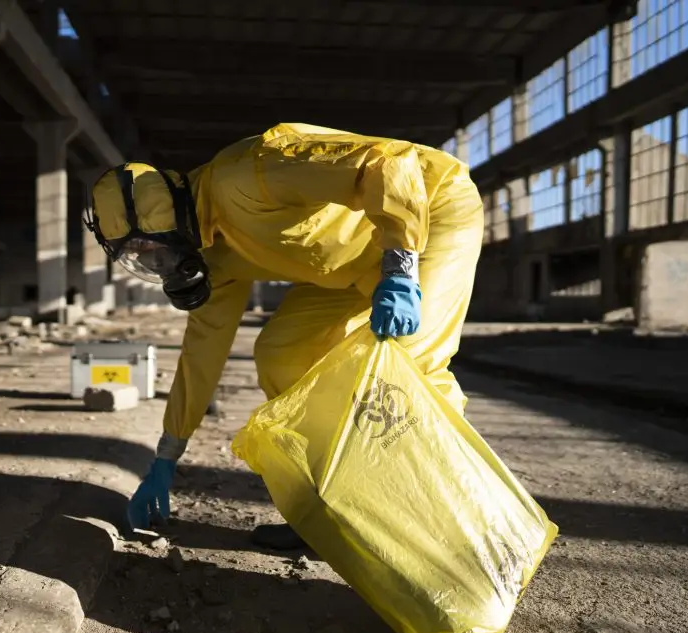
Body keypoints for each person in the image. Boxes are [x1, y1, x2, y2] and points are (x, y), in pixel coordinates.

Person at [84, 123, 484, 550]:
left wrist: (401, 267)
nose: (161, 267)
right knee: (281, 354)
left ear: (172, 219)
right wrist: (167, 453)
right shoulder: (212, 255)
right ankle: (325, 514)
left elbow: (385, 164)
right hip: (347, 269)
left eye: (155, 251)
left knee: (405, 369)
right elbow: (202, 352)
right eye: (143, 260)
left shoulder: (249, 174)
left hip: (427, 214)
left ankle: (457, 527)